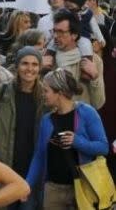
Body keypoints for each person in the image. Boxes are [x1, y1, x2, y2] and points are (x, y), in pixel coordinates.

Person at [26, 68, 108, 209]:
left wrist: (78, 141)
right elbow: (39, 156)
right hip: (53, 190)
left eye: (46, 91)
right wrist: (26, 185)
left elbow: (103, 147)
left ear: (60, 92)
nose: (43, 95)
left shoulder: (87, 112)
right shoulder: (47, 120)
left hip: (83, 187)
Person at [0, 46, 47, 210]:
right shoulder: (2, 92)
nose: (29, 69)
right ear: (17, 66)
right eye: (25, 63)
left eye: (34, 64)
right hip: (5, 168)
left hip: (33, 170)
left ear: (39, 68)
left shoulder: (46, 96)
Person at [47, 10, 105, 109]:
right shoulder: (48, 60)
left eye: (61, 32)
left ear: (74, 35)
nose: (56, 36)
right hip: (53, 121)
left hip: (79, 121)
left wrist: (95, 77)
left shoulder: (93, 60)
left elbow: (98, 103)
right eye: (54, 31)